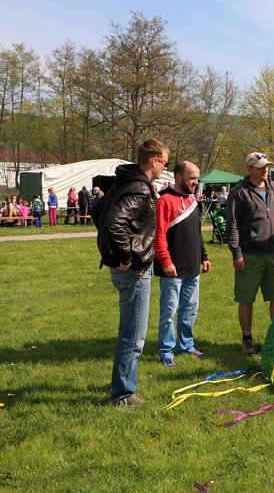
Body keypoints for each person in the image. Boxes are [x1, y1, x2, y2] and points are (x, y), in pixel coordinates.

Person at [96, 138, 169, 408]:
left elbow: (99, 210)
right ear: (153, 160)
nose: (166, 167)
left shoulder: (124, 182)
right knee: (134, 334)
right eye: (165, 162)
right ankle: (123, 395)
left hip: (125, 267)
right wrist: (125, 257)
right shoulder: (138, 188)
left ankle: (122, 385)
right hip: (133, 270)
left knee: (131, 332)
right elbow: (114, 224)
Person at [226, 152, 274, 355]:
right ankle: (247, 339)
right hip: (249, 255)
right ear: (249, 169)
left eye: (267, 166)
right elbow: (232, 225)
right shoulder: (239, 192)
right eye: (260, 166)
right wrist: (236, 253)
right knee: (246, 299)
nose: (265, 169)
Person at [154, 161, 212, 367]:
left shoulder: (194, 201)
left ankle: (186, 345)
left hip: (192, 267)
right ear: (179, 177)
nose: (196, 182)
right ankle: (166, 350)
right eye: (192, 178)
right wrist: (166, 261)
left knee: (190, 309)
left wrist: (204, 256)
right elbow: (159, 235)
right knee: (169, 312)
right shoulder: (165, 201)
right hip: (172, 269)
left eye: (197, 178)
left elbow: (197, 233)